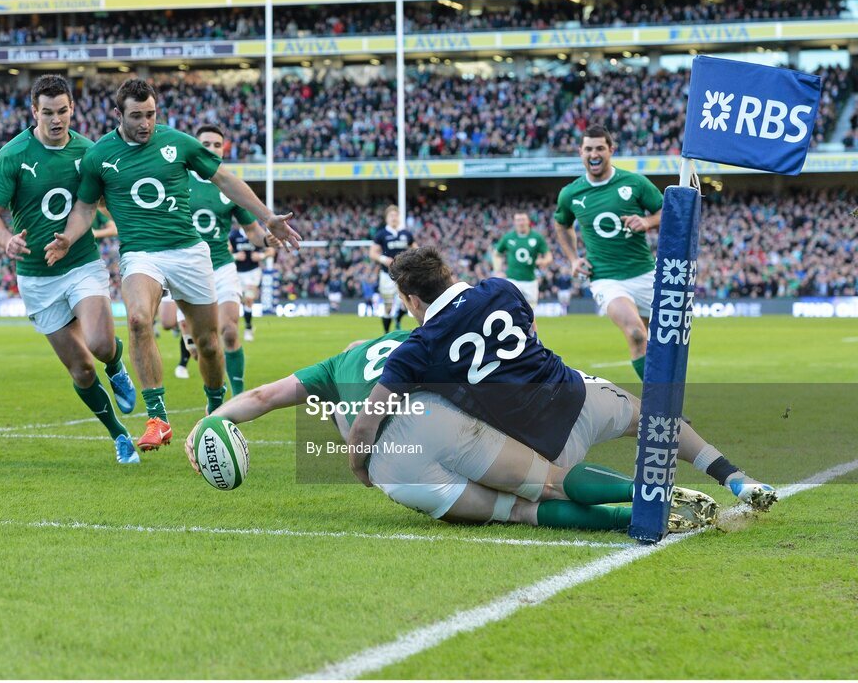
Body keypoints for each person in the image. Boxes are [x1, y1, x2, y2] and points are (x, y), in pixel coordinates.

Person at [347, 247, 777, 517]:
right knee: (654, 418)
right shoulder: (500, 288)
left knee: (537, 496)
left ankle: (644, 502)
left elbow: (367, 422)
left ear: (412, 300)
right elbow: (531, 333)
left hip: (543, 445)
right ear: (447, 273)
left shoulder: (417, 348)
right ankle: (736, 478)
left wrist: (360, 468)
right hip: (577, 395)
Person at [184, 331, 716, 532]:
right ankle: (651, 495)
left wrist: (212, 422)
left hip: (394, 471)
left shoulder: (329, 369)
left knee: (521, 513)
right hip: (436, 423)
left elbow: (261, 398)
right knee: (551, 481)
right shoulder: (412, 338)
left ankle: (628, 521)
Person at [45, 77, 300, 452]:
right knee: (137, 320)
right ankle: (158, 418)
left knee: (208, 343)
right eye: (136, 116)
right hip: (140, 253)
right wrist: (69, 236)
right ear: (118, 115)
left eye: (150, 114)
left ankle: (216, 407)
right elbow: (84, 207)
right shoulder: (100, 155)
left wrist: (267, 217)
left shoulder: (178, 142)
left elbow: (225, 179)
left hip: (188, 252)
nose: (145, 123)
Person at [0, 74, 140, 465]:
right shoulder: (14, 154)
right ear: (34, 111)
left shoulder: (88, 151)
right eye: (47, 112)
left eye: (62, 111)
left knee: (100, 345)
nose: (56, 119)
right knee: (81, 370)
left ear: (72, 109)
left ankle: (116, 366)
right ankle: (119, 435)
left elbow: (104, 201)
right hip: (36, 278)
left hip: (81, 263)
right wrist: (6, 240)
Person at [157, 124, 272, 395]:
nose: (211, 149)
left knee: (229, 331)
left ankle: (238, 396)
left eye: (217, 145)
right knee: (171, 326)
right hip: (182, 266)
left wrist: (268, 240)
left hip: (221, 265)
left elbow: (252, 231)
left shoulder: (229, 186)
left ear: (223, 150)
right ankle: (195, 346)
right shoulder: (177, 179)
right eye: (205, 144)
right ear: (195, 147)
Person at [553, 123, 663, 381]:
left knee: (658, 343)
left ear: (611, 150)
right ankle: (658, 399)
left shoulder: (635, 182)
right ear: (580, 152)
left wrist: (647, 221)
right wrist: (573, 259)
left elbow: (666, 209)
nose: (594, 154)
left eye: (600, 148)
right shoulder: (570, 193)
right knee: (636, 333)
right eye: (588, 149)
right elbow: (561, 225)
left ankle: (667, 396)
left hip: (645, 273)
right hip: (606, 277)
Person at [369, 204, 416, 333]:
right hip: (387, 275)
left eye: (396, 215)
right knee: (388, 306)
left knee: (408, 303)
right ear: (387, 218)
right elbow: (372, 253)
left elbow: (416, 250)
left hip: (404, 274)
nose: (394, 218)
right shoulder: (381, 234)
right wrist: (384, 259)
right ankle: (386, 332)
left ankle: (398, 319)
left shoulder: (406, 234)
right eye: (391, 216)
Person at [492, 211, 552, 310]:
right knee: (511, 309)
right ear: (514, 222)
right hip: (512, 280)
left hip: (530, 281)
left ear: (528, 221)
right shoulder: (508, 237)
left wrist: (544, 261)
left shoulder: (537, 237)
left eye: (523, 219)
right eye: (518, 220)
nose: (521, 222)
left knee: (531, 311)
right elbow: (497, 254)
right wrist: (497, 271)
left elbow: (548, 256)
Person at [229, 219, 271, 342]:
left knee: (248, 299)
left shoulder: (256, 235)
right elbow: (225, 252)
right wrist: (235, 256)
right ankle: (238, 327)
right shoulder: (233, 235)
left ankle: (248, 328)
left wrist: (261, 256)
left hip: (253, 272)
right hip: (236, 272)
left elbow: (271, 250)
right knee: (237, 301)